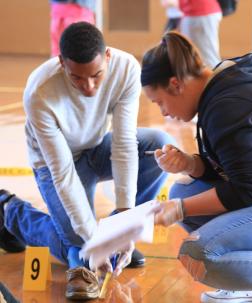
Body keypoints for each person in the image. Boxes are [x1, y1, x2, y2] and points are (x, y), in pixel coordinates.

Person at [140, 31, 252, 303]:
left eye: (159, 102)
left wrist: (178, 210)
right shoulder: (220, 93)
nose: (164, 112)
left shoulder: (227, 105)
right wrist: (191, 164)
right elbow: (243, 172)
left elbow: (247, 190)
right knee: (183, 191)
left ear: (176, 84)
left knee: (199, 253)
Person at [22, 22, 174, 300]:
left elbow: (125, 144)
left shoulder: (127, 68)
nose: (88, 87)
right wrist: (95, 241)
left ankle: (115, 241)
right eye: (76, 78)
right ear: (61, 63)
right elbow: (63, 173)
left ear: (107, 57)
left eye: (96, 75)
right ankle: (13, 213)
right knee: (79, 245)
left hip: (96, 146)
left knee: (158, 145)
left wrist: (125, 226)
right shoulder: (39, 92)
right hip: (56, 164)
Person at [179, 0, 222, 68]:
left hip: (202, 12)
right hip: (193, 12)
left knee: (208, 56)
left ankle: (217, 76)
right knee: (191, 54)